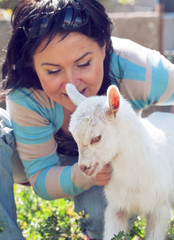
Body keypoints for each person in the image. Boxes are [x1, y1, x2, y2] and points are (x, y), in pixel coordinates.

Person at [0, 0, 174, 239]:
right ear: (32, 63)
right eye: (53, 71)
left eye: (84, 64)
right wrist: (82, 175)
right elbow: (40, 176)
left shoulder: (137, 68)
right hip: (30, 161)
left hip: (110, 160)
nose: (72, 83)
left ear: (104, 46)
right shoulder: (25, 93)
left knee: (103, 215)